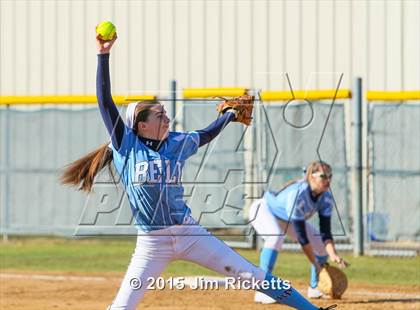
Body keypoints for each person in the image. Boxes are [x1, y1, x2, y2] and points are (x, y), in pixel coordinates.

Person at [60, 32, 337, 310]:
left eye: (165, 113)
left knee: (252, 275)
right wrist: (103, 54)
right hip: (151, 244)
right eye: (160, 115)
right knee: (122, 307)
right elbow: (104, 101)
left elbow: (206, 134)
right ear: (141, 125)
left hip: (190, 233)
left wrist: (229, 115)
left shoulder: (177, 142)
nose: (167, 117)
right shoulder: (125, 144)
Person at [249, 161, 349, 304]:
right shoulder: (299, 194)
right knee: (275, 236)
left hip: (286, 219)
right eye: (323, 176)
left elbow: (325, 231)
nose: (328, 179)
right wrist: (316, 264)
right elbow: (303, 239)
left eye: (330, 176)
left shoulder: (326, 198)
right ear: (312, 177)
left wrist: (333, 254)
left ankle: (315, 287)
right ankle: (262, 289)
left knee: (320, 246)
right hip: (264, 210)